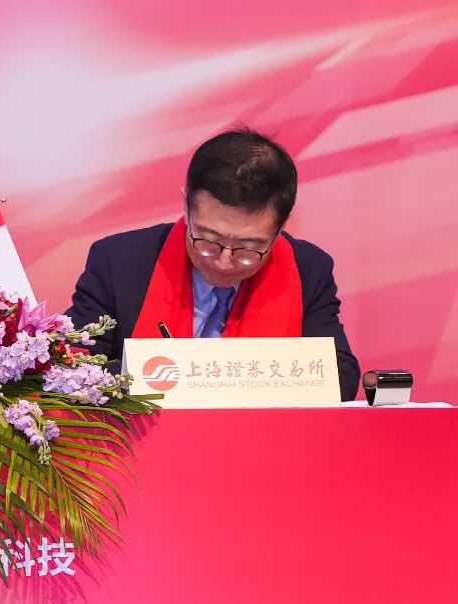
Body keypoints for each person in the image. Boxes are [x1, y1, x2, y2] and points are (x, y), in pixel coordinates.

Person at [66, 127, 360, 400]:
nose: (224, 262)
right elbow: (73, 367)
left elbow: (340, 376)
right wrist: (166, 377)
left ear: (281, 227)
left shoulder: (308, 268)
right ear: (186, 206)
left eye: (248, 247)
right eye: (208, 240)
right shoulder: (120, 261)